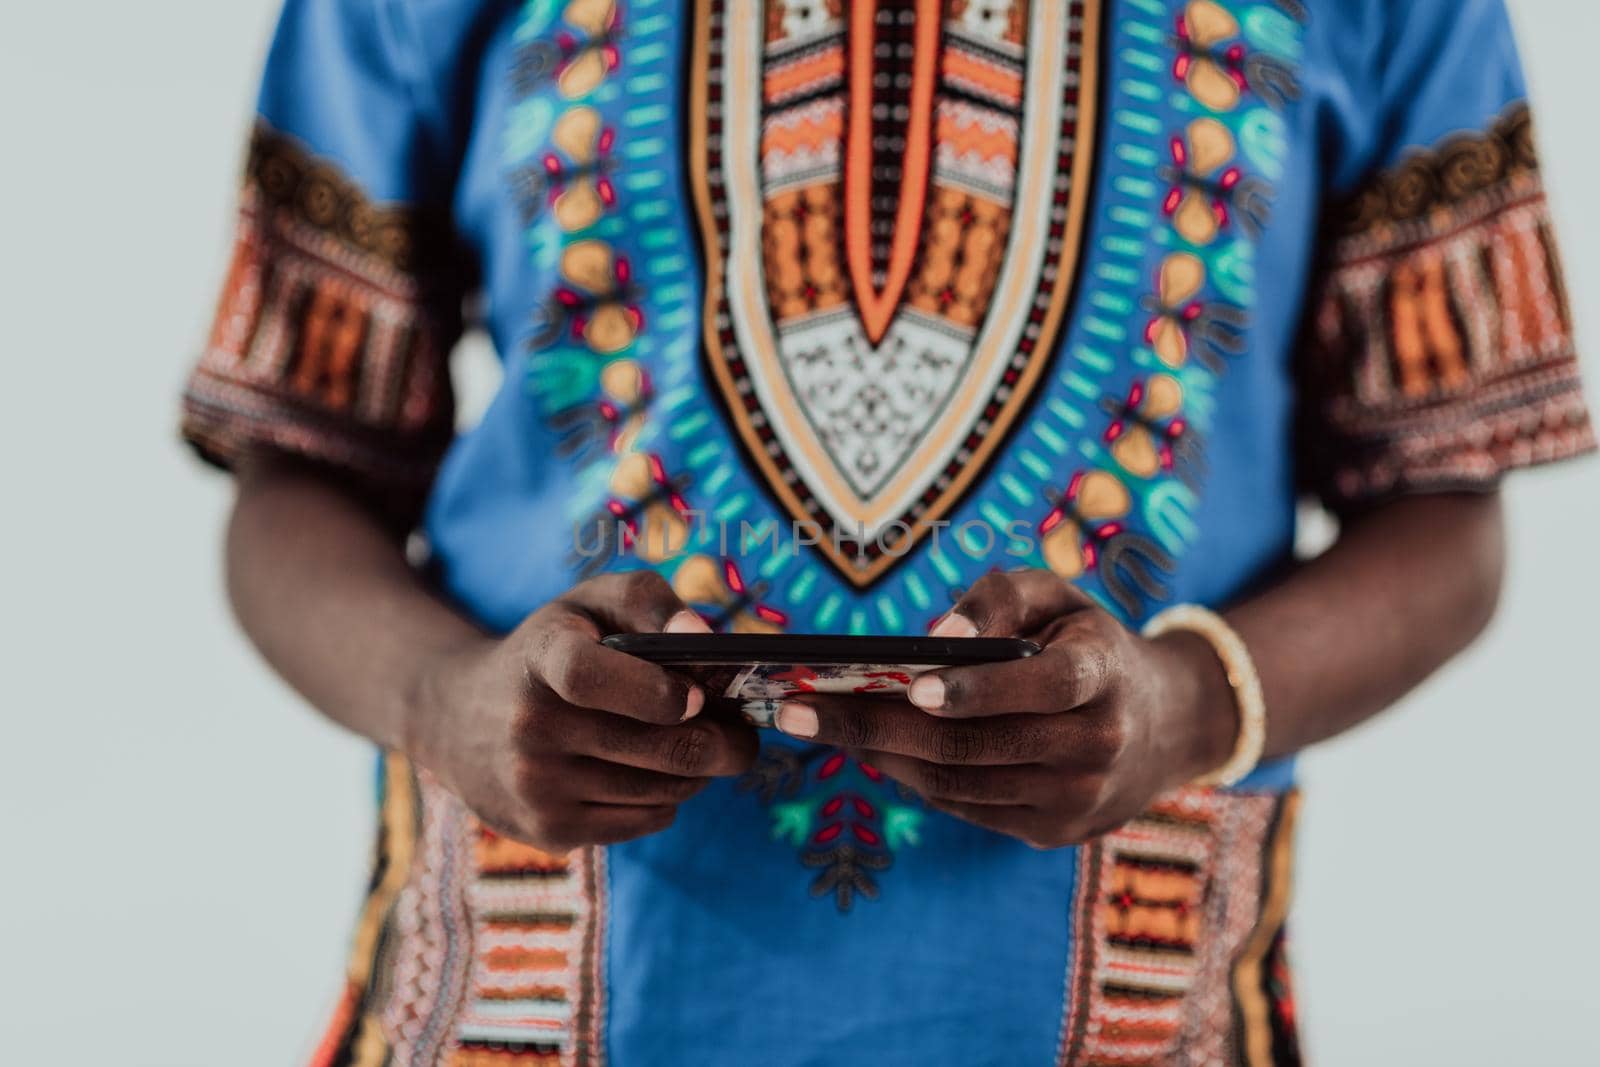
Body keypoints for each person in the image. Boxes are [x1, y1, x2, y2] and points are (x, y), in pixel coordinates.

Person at [181, 0, 1593, 1063]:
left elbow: (1444, 513)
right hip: (538, 1001)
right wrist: (453, 707)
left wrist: (1181, 703)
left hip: (1126, 1011)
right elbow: (296, 479)